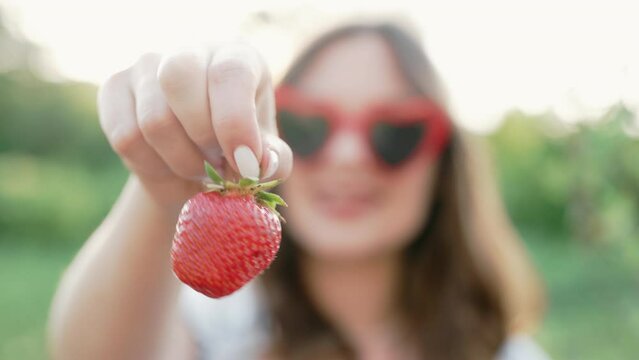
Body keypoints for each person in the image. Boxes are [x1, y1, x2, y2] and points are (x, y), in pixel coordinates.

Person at [48, 21, 549, 360]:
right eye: (309, 124)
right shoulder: (222, 324)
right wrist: (164, 188)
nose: (347, 155)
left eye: (394, 132)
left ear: (443, 163)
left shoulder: (506, 352)